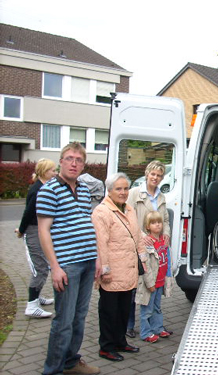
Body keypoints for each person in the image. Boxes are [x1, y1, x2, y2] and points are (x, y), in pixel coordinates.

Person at [37, 142, 100, 375]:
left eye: (79, 160)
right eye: (69, 158)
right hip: (67, 265)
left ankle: (71, 362)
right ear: (60, 161)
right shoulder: (49, 190)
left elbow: (87, 224)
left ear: (83, 164)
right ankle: (52, 370)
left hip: (87, 261)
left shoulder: (83, 189)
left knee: (79, 317)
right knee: (63, 321)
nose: (74, 163)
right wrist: (55, 267)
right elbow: (44, 230)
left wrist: (97, 259)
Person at [92, 172, 147, 362]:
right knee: (109, 312)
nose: (123, 192)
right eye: (119, 189)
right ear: (109, 190)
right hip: (113, 271)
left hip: (129, 269)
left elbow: (137, 235)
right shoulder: (102, 212)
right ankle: (106, 347)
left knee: (124, 310)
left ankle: (120, 341)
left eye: (125, 188)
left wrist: (143, 259)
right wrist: (104, 270)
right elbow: (101, 243)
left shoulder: (129, 209)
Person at [125, 160, 172, 338]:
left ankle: (155, 326)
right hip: (139, 245)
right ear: (147, 174)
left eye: (159, 175)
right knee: (135, 287)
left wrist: (166, 233)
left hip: (157, 248)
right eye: (153, 174)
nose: (156, 178)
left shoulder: (161, 196)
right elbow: (128, 218)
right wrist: (142, 236)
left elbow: (165, 220)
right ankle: (129, 325)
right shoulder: (134, 193)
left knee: (155, 285)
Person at [15, 158, 57, 318]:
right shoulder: (38, 189)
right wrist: (21, 230)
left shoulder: (44, 187)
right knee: (39, 269)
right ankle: (31, 306)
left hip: (39, 231)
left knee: (43, 267)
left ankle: (37, 297)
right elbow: (28, 213)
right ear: (45, 172)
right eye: (53, 170)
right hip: (33, 232)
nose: (55, 173)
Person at [136, 211, 174, 343]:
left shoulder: (164, 240)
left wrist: (167, 278)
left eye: (159, 222)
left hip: (160, 281)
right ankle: (145, 332)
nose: (157, 225)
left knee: (157, 307)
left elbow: (167, 261)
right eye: (153, 223)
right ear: (147, 227)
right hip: (150, 284)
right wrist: (150, 283)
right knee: (146, 308)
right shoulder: (147, 244)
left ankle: (157, 328)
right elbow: (146, 266)